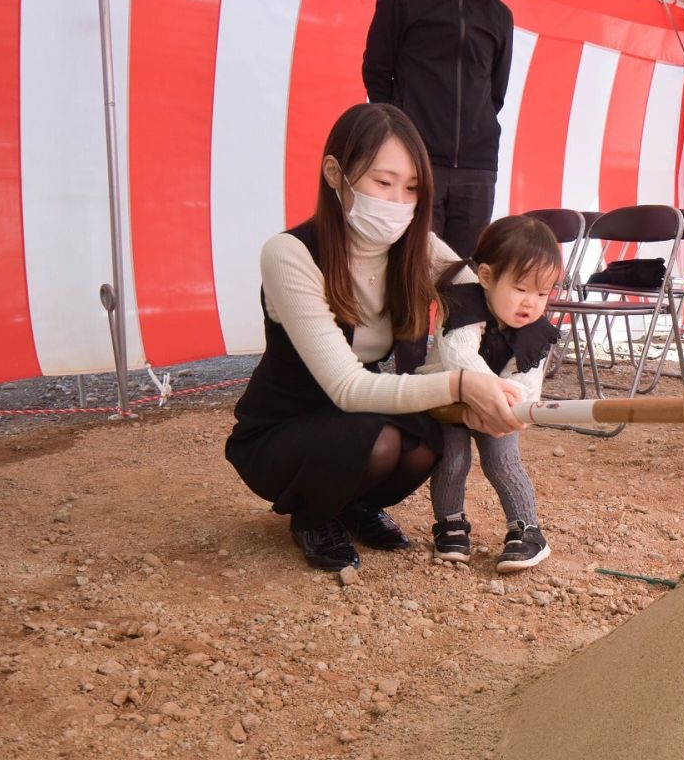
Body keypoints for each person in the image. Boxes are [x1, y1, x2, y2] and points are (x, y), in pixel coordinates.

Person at [225, 103, 525, 572]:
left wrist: (493, 366)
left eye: (411, 188)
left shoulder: (415, 246)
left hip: (355, 417)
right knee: (379, 439)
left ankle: (355, 506)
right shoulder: (289, 254)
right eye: (382, 183)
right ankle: (313, 515)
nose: (397, 203)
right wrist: (461, 384)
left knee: (431, 436)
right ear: (335, 173)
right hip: (284, 426)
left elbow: (474, 291)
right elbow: (347, 388)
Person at [417, 216, 562, 573]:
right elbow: (459, 356)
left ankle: (527, 530)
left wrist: (509, 408)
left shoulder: (535, 332)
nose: (531, 303)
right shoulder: (461, 305)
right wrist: (491, 395)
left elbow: (528, 383)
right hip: (449, 400)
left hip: (500, 410)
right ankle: (450, 524)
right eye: (521, 289)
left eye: (542, 293)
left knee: (503, 462)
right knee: (451, 460)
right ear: (486, 277)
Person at [362, 0, 512, 262]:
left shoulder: (500, 15)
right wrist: (401, 133)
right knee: (410, 267)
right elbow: (377, 71)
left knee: (464, 274)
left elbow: (496, 92)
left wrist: (476, 130)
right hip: (417, 160)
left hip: (477, 168)